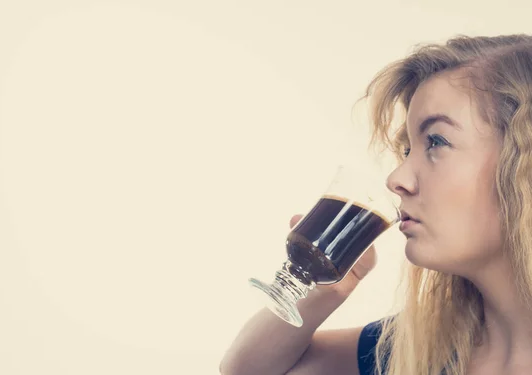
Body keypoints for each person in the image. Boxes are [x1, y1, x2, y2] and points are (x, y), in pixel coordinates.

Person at [219, 33, 532, 375]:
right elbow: (248, 370)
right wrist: (326, 287)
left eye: (436, 141)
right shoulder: (420, 349)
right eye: (408, 150)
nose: (397, 178)